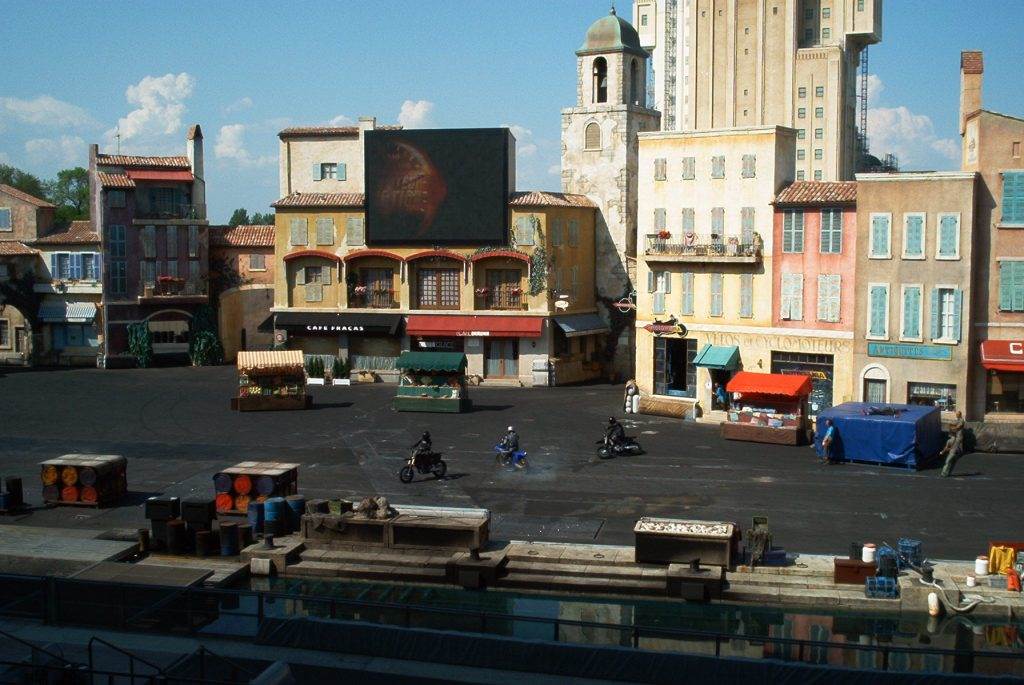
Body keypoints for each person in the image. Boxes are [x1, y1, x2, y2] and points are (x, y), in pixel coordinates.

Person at [940, 411, 966, 477]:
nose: (956, 415)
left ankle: (945, 473)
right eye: (956, 414)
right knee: (951, 460)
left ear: (960, 415)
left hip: (956, 446)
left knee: (950, 460)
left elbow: (958, 427)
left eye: (957, 414)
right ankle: (946, 473)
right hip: (954, 448)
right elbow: (947, 447)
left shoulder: (961, 421)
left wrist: (952, 427)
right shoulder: (950, 440)